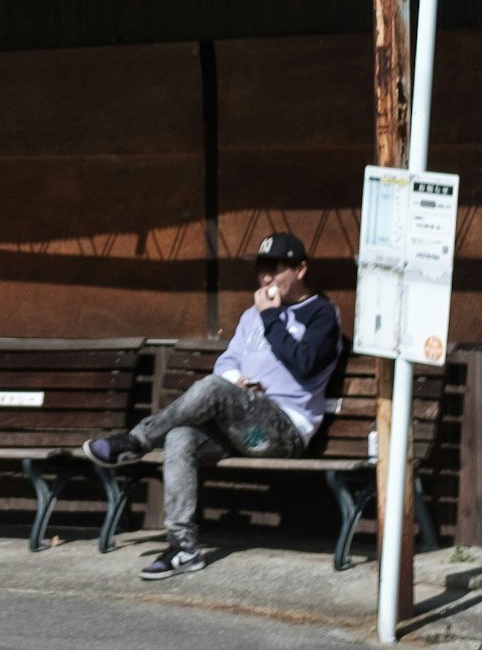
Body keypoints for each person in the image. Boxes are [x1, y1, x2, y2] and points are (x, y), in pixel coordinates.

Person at [86, 232, 342, 579]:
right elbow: (226, 362)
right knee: (180, 436)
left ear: (300, 269)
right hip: (244, 429)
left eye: (275, 269)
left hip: (283, 431)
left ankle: (136, 441)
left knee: (212, 390)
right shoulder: (252, 315)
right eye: (261, 269)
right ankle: (183, 547)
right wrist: (237, 381)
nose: (266, 278)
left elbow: (307, 364)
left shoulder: (321, 314)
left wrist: (271, 317)